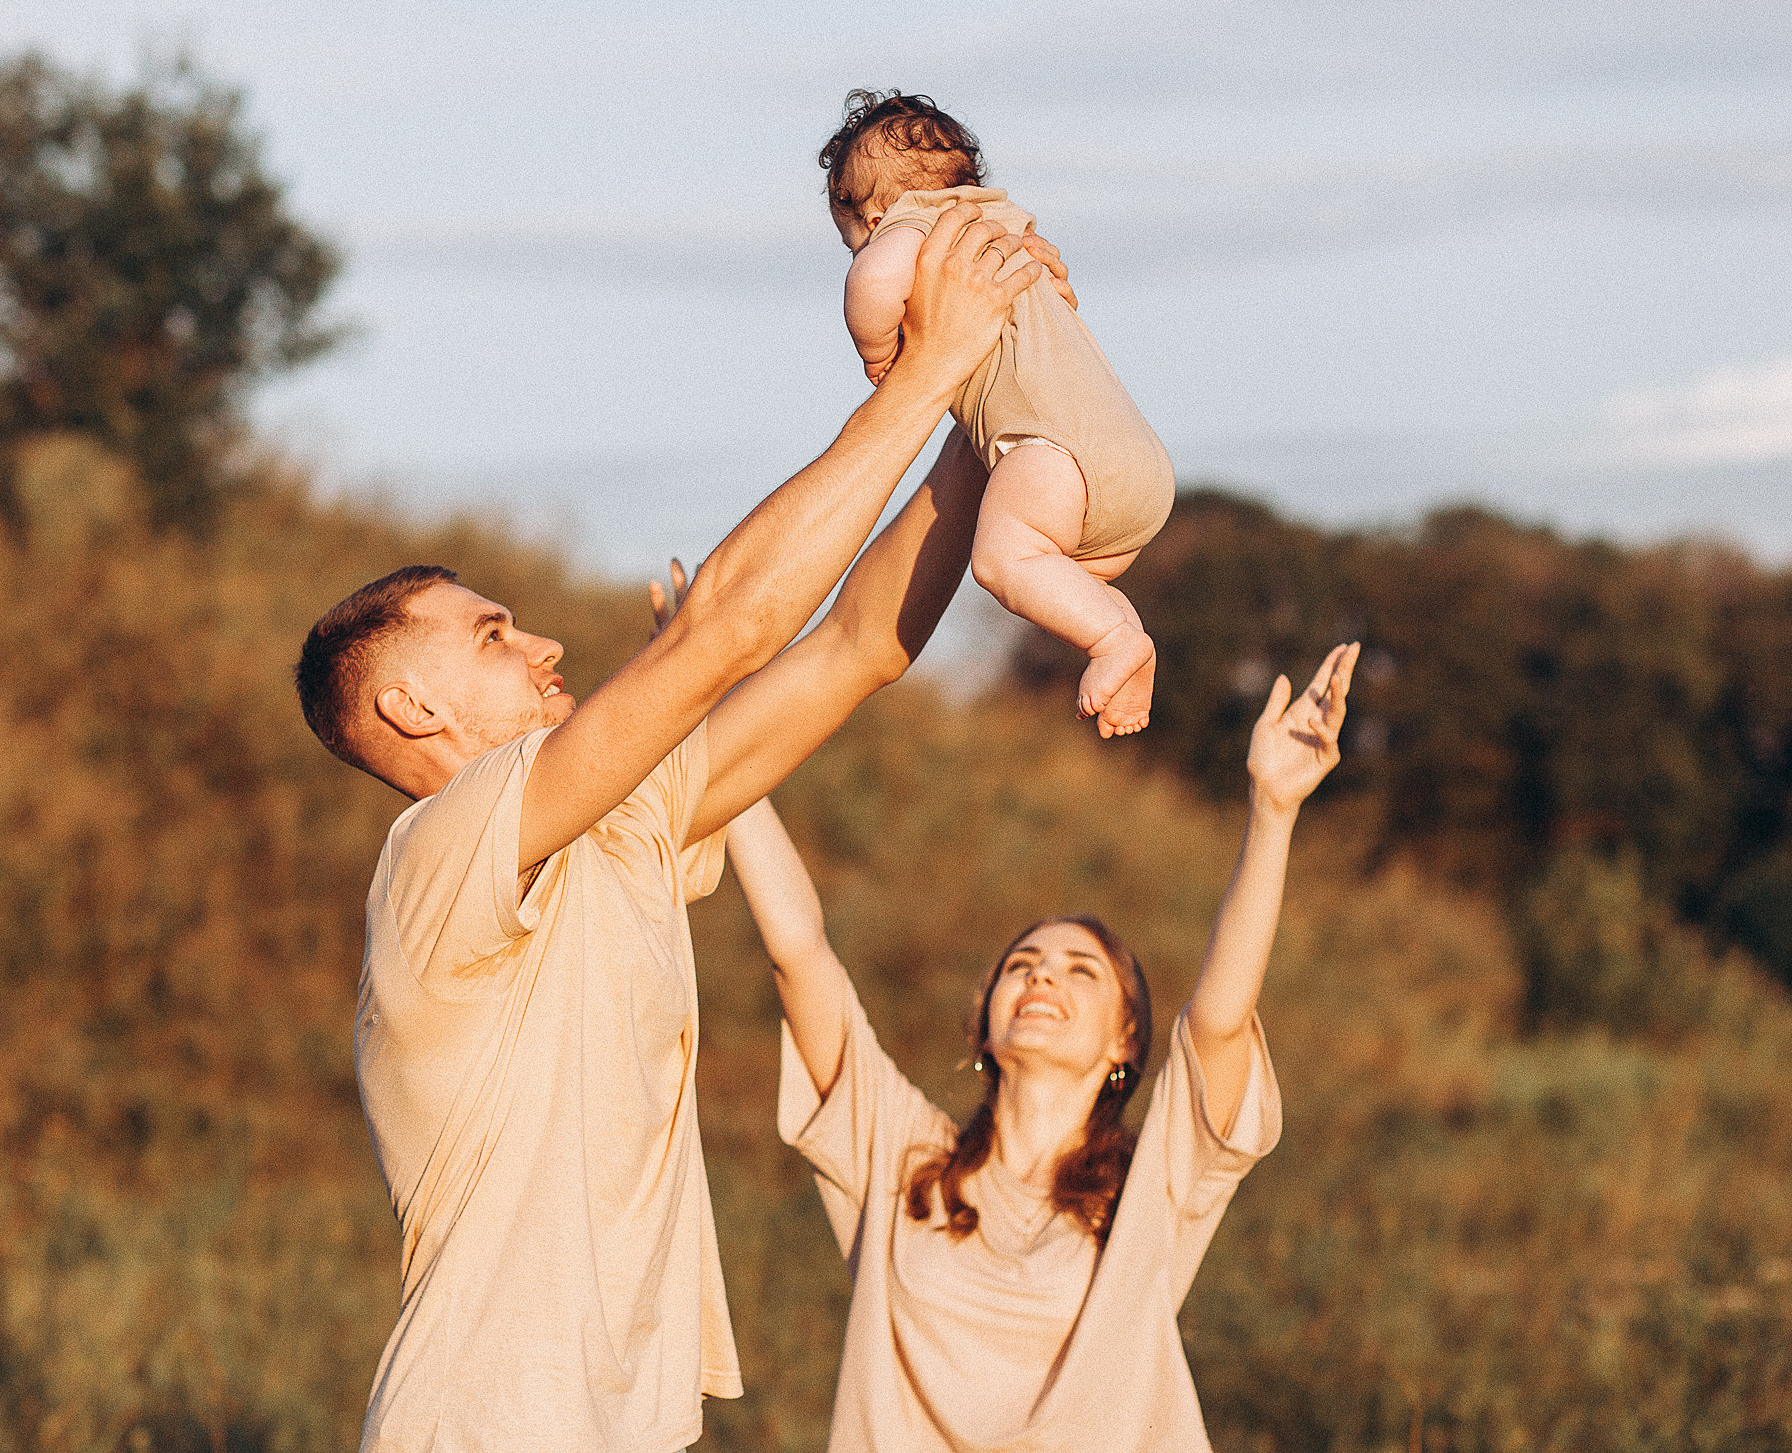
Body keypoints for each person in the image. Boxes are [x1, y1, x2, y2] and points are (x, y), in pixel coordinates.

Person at [292, 205, 1073, 1453]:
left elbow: (858, 646)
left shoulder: (620, 831)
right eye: (492, 633)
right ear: (408, 705)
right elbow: (726, 627)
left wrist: (981, 403)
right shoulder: (441, 849)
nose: (542, 640)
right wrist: (925, 370)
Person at [726, 641, 1360, 1451]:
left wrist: (1273, 810)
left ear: (1126, 1034)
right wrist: (718, 707)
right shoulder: (900, 1158)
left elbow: (1221, 1019)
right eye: (1021, 965)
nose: (1042, 980)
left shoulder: (1151, 1185)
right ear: (985, 1020)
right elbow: (799, 952)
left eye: (1080, 971)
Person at [820, 89, 1178, 741]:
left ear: (871, 217)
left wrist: (877, 354)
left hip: (1053, 454)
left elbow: (873, 285)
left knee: (1003, 560)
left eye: (853, 242)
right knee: (1057, 575)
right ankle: (1123, 629)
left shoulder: (915, 228)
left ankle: (1115, 643)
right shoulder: (1010, 226)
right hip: (1135, 463)